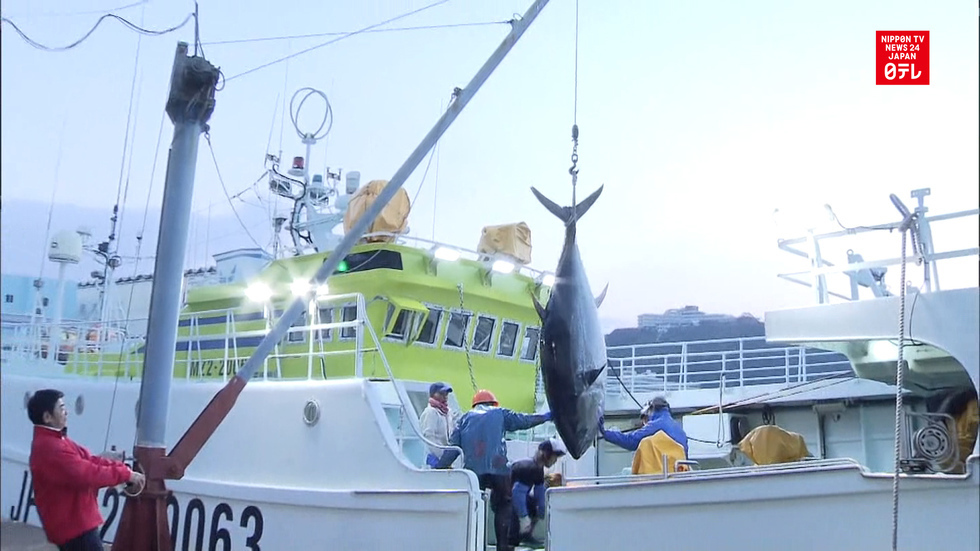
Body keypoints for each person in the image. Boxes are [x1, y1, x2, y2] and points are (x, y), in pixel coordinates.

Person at [27, 389, 145, 551]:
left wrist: (122, 470)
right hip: (75, 528)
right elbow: (86, 473)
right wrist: (126, 474)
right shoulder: (51, 447)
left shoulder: (55, 441)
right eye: (61, 408)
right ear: (47, 417)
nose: (66, 412)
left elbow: (89, 460)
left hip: (74, 526)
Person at [439, 389, 552, 551]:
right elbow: (523, 421)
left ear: (475, 404)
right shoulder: (500, 413)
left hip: (473, 473)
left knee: (473, 506)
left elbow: (452, 449)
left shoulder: (464, 418)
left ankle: (472, 544)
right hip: (499, 469)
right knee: (504, 505)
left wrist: (439, 467)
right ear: (493, 403)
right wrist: (545, 417)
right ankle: (502, 546)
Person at [509, 438, 567, 547]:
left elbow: (540, 493)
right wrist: (523, 517)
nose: (555, 461)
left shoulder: (537, 468)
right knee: (517, 506)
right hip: (505, 500)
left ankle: (524, 535)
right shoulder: (530, 467)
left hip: (511, 498)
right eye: (555, 456)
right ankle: (512, 540)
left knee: (531, 502)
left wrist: (541, 510)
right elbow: (517, 493)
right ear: (546, 454)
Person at [599, 396, 689, 456]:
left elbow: (630, 441)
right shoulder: (679, 429)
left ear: (650, 411)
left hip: (661, 473)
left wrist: (606, 433)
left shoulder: (655, 426)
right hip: (679, 473)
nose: (644, 423)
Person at [419, 381, 460, 468]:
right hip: (434, 459)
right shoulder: (430, 412)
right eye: (441, 393)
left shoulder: (448, 412)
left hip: (445, 458)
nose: (445, 396)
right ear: (433, 394)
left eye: (446, 394)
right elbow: (429, 437)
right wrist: (440, 458)